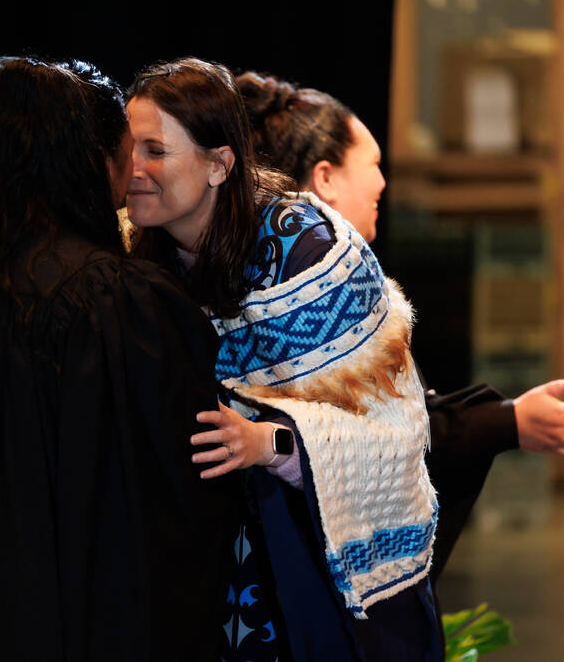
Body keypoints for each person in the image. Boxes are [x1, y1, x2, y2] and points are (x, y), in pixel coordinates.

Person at [0, 58, 238, 660]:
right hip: (52, 624)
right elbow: (167, 507)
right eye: (126, 154)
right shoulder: (115, 300)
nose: (131, 175)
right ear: (92, 161)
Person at [235, 70, 564, 579]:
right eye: (373, 164)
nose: (382, 182)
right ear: (325, 178)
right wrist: (508, 421)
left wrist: (506, 420)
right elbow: (378, 436)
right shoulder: (317, 292)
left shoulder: (252, 271)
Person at [126, 57, 441, 661]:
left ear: (219, 164)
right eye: (128, 150)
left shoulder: (313, 252)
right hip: (192, 564)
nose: (133, 169)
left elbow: (391, 429)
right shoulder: (128, 255)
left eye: (155, 151)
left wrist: (266, 442)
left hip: (309, 569)